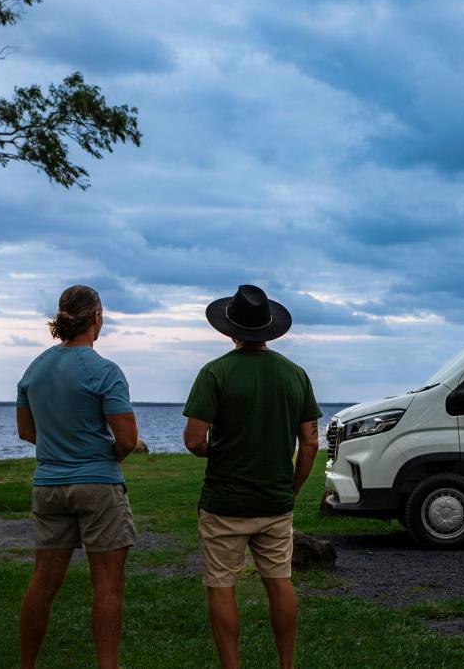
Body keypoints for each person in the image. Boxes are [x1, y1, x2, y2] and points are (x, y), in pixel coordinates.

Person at [183, 285, 322, 669]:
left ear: (231, 329)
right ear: (269, 329)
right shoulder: (296, 375)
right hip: (275, 502)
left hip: (224, 503)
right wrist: (292, 488)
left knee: (222, 588)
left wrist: (222, 450)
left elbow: (194, 440)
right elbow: (310, 441)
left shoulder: (215, 373)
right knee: (280, 583)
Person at [16, 285, 138, 669]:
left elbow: (26, 432)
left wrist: (58, 443)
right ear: (97, 319)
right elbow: (127, 440)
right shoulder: (104, 371)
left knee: (42, 582)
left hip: (49, 486)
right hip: (98, 486)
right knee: (106, 585)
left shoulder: (35, 368)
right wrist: (106, 453)